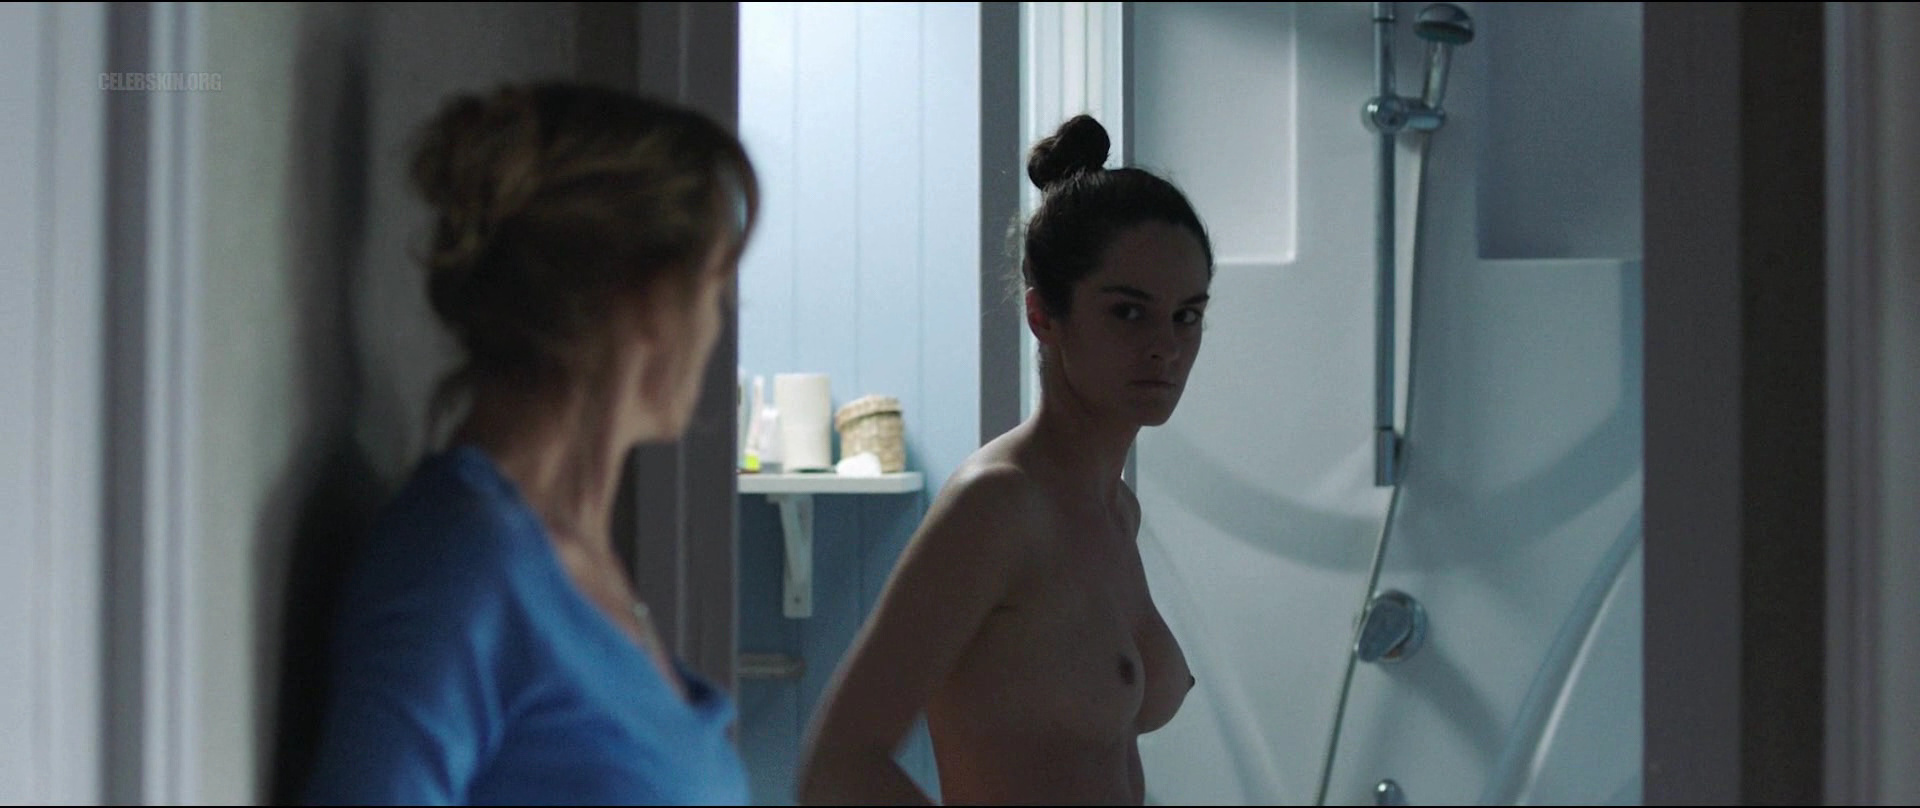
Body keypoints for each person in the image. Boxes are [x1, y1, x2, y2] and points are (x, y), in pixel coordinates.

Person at [300, 80, 758, 805]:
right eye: (715, 292)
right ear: (650, 300)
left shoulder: (579, 563)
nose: (716, 327)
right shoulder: (460, 562)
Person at [796, 113, 1211, 806]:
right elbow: (836, 767)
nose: (1166, 346)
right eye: (1128, 312)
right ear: (1043, 315)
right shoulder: (998, 505)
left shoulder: (1115, 509)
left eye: (1186, 315)